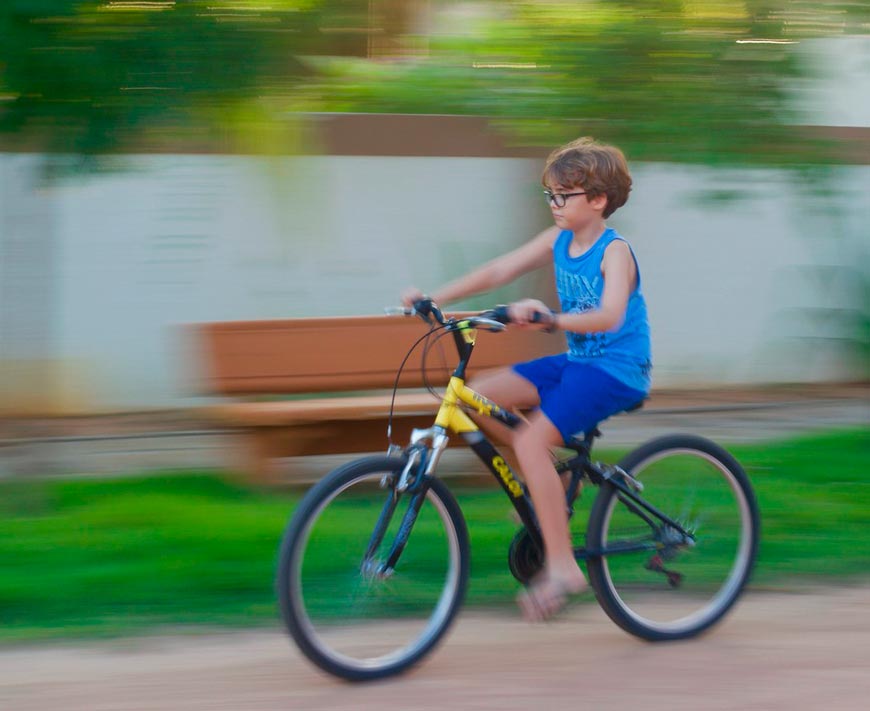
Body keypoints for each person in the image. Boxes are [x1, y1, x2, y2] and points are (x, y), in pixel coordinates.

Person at [401, 136, 652, 622]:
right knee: (474, 398)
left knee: (533, 443)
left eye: (565, 195)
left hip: (616, 370)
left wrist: (550, 320)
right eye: (550, 195)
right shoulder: (558, 240)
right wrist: (435, 298)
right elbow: (501, 269)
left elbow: (610, 315)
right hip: (579, 364)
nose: (554, 204)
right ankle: (554, 482)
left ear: (598, 200)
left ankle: (563, 569)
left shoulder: (613, 250)